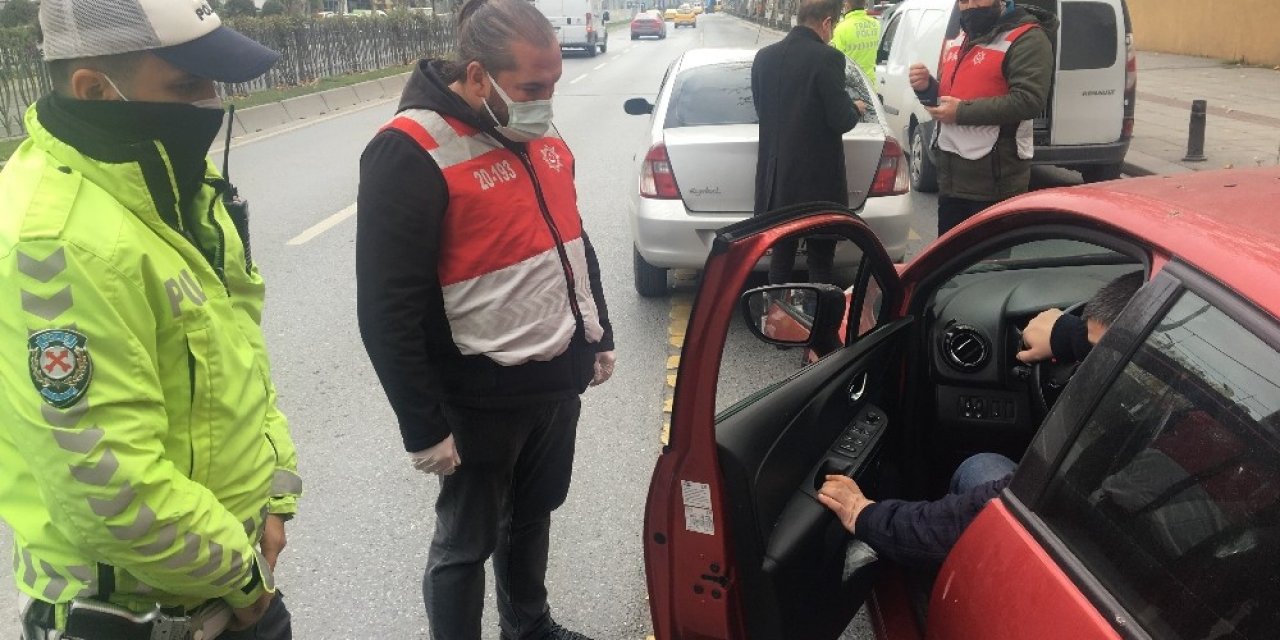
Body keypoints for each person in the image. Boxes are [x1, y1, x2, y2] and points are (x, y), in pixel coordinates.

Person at [0, 1, 301, 639]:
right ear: (94, 90)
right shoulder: (58, 242)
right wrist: (244, 579)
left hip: (227, 587)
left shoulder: (173, 183)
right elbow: (110, 489)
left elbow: (239, 353)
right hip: (134, 618)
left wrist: (273, 499)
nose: (211, 103)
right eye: (187, 86)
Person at [354, 1, 615, 638]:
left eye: (552, 85)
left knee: (534, 512)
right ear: (477, 77)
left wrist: (597, 331)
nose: (546, 101)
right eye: (532, 87)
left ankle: (528, 625)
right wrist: (422, 426)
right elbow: (387, 306)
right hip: (478, 395)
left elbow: (571, 239)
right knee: (465, 544)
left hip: (555, 376)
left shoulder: (540, 133)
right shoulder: (408, 150)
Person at [817, 271, 1144, 567]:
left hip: (1091, 563)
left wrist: (865, 515)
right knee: (984, 464)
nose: (1093, 368)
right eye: (1091, 355)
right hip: (1107, 532)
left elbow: (966, 518)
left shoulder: (1128, 436)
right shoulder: (1166, 408)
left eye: (1107, 355)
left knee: (977, 474)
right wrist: (1071, 339)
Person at [909, 0, 1055, 236]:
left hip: (994, 185)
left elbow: (1029, 101)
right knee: (948, 263)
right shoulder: (959, 37)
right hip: (951, 181)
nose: (969, 6)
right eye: (963, 1)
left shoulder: (1027, 38)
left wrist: (960, 112)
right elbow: (952, 95)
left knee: (987, 269)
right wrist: (927, 88)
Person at [752, 0, 864, 285]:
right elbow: (841, 119)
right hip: (817, 183)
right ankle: (819, 324)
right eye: (834, 26)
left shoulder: (764, 58)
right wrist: (856, 108)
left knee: (781, 256)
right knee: (820, 262)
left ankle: (775, 317)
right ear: (827, 23)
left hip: (776, 182)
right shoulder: (828, 58)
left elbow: (762, 108)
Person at [831, 0, 881, 85]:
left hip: (851, 87)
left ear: (847, 4)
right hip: (871, 85)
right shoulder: (876, 24)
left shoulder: (841, 28)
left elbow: (834, 60)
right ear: (865, 3)